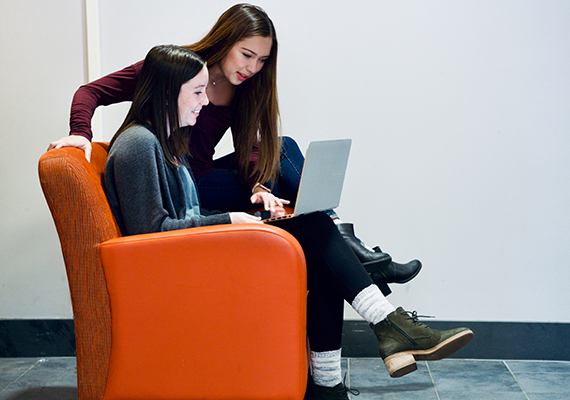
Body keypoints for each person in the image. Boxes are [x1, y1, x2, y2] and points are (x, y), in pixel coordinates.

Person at [105, 44, 474, 400]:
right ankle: (389, 325)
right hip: (181, 271)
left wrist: (241, 216)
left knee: (320, 251)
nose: (206, 100)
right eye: (198, 91)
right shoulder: (138, 144)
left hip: (193, 257)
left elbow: (173, 223)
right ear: (169, 93)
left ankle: (330, 384)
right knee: (315, 232)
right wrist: (231, 220)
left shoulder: (164, 141)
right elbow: (148, 236)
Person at [48, 3, 421, 294]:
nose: (253, 68)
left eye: (262, 60)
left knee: (282, 148)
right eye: (247, 55)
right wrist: (80, 132)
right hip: (175, 181)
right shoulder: (172, 70)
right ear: (226, 41)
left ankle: (339, 234)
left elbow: (251, 149)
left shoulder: (244, 89)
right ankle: (349, 244)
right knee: (299, 200)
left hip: (203, 176)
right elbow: (90, 92)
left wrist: (260, 186)